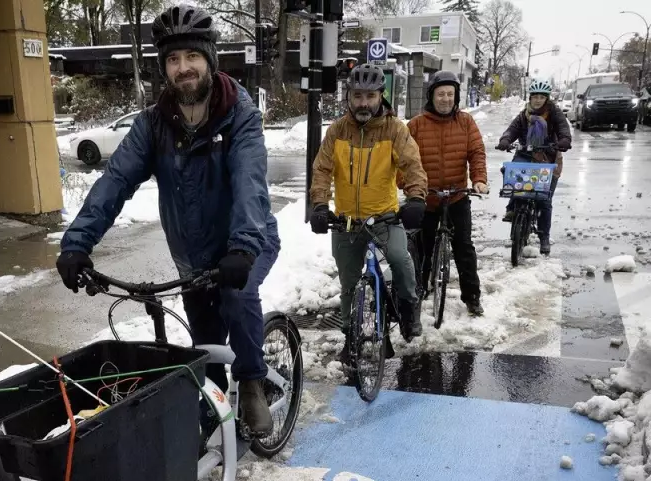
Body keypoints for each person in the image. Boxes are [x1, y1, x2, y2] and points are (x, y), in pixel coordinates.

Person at [55, 4, 280, 437]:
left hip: (247, 244)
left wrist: (242, 247)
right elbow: (116, 180)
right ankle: (213, 409)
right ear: (164, 68)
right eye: (173, 59)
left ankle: (252, 380)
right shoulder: (153, 124)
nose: (183, 68)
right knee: (204, 346)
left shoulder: (240, 116)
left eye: (192, 56)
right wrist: (77, 242)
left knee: (236, 299)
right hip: (193, 257)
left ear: (210, 60)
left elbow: (250, 183)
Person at [309, 63, 429, 360]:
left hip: (385, 217)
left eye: (370, 96)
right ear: (348, 96)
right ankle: (349, 337)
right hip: (347, 221)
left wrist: (416, 198)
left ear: (380, 96)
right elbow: (322, 170)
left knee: (400, 260)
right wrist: (320, 205)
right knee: (348, 284)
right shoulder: (337, 131)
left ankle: (409, 309)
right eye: (358, 96)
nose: (364, 103)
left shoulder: (394, 129)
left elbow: (412, 165)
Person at [406, 71, 488, 317]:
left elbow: (476, 152)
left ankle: (472, 297)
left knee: (464, 247)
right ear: (432, 96)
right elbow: (401, 159)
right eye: (441, 94)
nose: (445, 99)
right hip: (426, 198)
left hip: (456, 196)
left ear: (456, 96)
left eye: (450, 94)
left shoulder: (465, 122)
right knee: (421, 249)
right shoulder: (416, 125)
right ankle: (419, 291)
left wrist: (479, 180)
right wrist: (409, 186)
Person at [496, 79, 571, 255]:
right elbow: (512, 129)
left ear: (547, 99)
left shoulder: (554, 113)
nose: (537, 100)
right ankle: (512, 208)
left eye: (541, 97)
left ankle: (544, 237)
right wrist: (505, 140)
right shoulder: (524, 114)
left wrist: (564, 140)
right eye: (535, 97)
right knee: (512, 174)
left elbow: (563, 129)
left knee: (544, 199)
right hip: (526, 153)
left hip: (547, 156)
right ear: (530, 98)